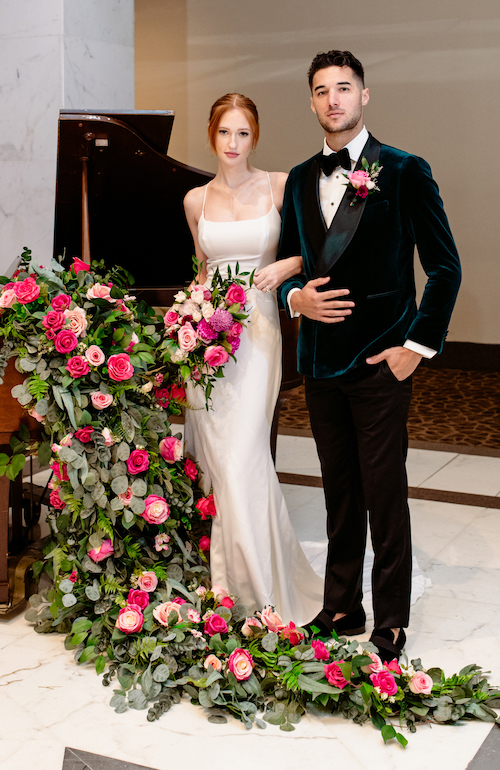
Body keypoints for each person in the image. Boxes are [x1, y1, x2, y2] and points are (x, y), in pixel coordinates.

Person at [277, 51, 462, 661]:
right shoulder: (301, 177)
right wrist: (293, 298)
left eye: (345, 88)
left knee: (385, 494)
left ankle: (392, 620)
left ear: (364, 96)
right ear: (311, 101)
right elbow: (287, 264)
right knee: (339, 492)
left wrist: (417, 346)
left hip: (382, 363)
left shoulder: (405, 171)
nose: (334, 99)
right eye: (322, 90)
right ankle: (341, 608)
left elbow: (445, 268)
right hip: (319, 364)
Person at [183, 93, 324, 625]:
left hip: (260, 331)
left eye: (243, 134)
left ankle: (258, 594)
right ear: (211, 136)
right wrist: (185, 323)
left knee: (243, 454)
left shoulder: (281, 185)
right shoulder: (195, 201)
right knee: (223, 464)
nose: (234, 144)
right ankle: (230, 587)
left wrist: (285, 266)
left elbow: (317, 246)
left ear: (255, 137)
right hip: (205, 343)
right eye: (225, 134)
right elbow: (200, 272)